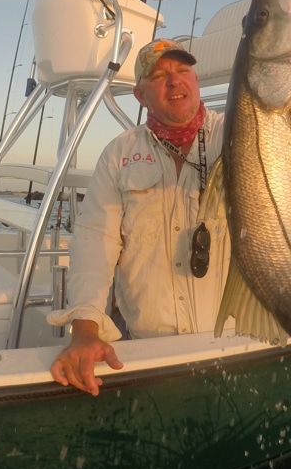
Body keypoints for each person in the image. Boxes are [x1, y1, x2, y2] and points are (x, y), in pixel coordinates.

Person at [48, 38, 230, 396]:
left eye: (183, 71)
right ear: (140, 95)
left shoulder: (239, 131)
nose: (174, 81)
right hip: (147, 353)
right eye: (159, 75)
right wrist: (85, 331)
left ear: (196, 80)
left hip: (235, 345)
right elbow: (95, 239)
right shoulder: (119, 153)